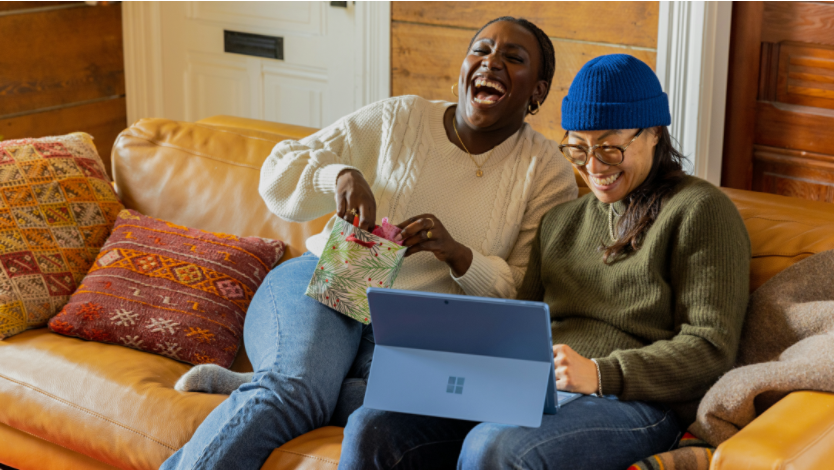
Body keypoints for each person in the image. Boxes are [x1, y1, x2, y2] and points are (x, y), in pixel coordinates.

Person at [160, 17, 578, 470]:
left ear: (537, 91)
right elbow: (278, 171)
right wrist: (337, 175)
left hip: (416, 329)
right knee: (295, 394)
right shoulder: (402, 118)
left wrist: (460, 255)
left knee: (401, 403)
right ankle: (285, 381)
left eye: (512, 59)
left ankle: (269, 380)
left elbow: (522, 290)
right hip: (332, 277)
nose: (491, 62)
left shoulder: (547, 171)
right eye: (481, 50)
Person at [338, 54, 752, 470]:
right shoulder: (560, 221)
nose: (593, 168)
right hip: (533, 388)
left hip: (634, 401)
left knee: (494, 446)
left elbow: (710, 348)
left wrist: (602, 373)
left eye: (609, 148)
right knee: (372, 425)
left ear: (654, 134)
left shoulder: (701, 210)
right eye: (578, 148)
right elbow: (521, 321)